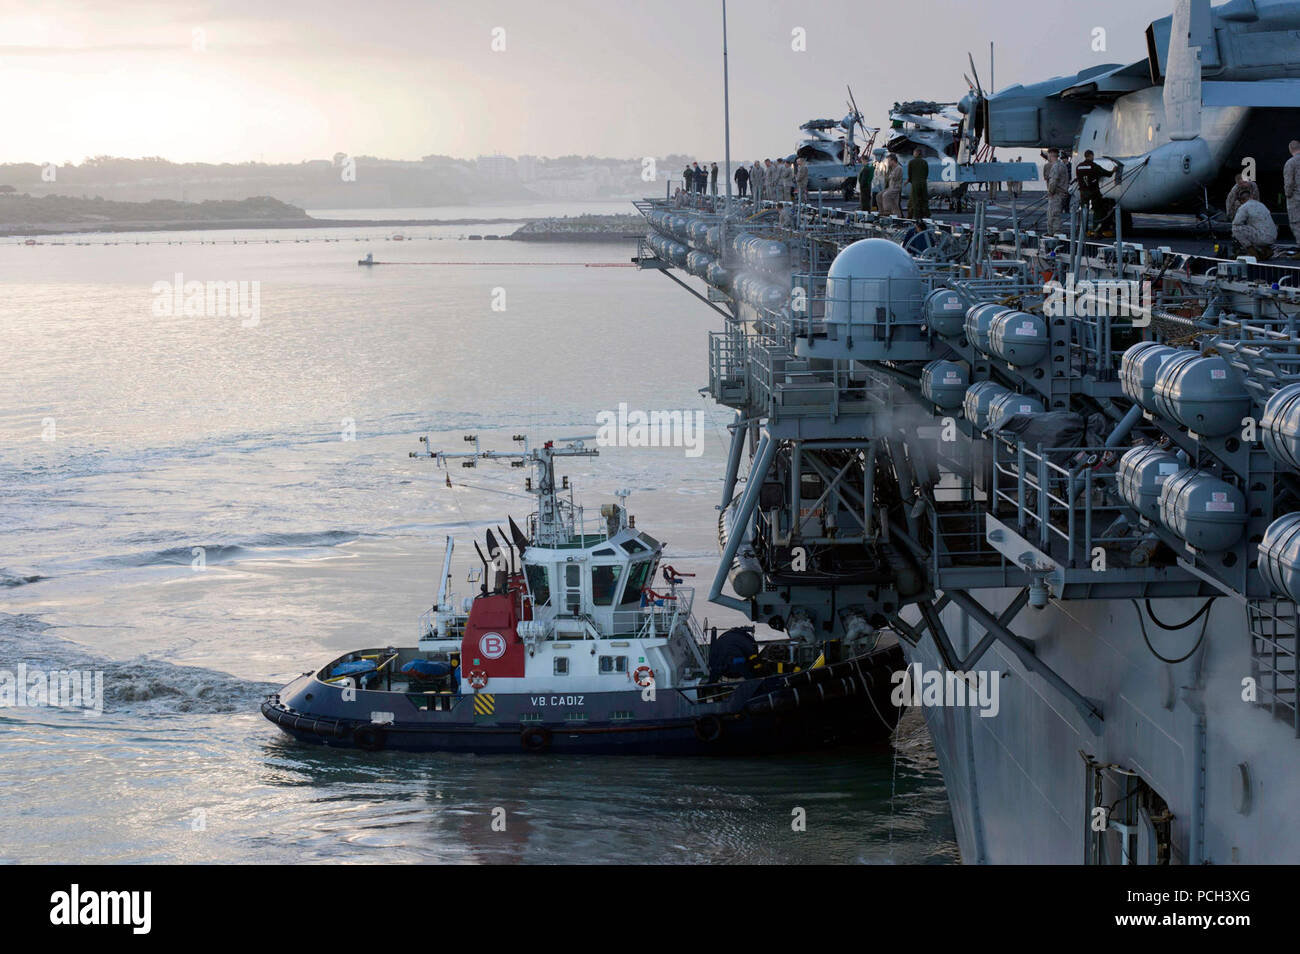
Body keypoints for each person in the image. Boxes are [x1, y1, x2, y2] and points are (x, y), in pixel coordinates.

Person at [1075, 149, 1118, 234]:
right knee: (1098, 209)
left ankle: (1082, 229)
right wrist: (1113, 170)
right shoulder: (1094, 166)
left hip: (1083, 192)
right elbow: (1107, 174)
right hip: (1093, 191)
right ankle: (1096, 228)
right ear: (1091, 156)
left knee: (1084, 210)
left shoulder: (1079, 166)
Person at [1044, 148, 1069, 235]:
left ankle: (1054, 234)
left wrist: (1050, 192)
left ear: (1051, 155)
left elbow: (1053, 182)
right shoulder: (1062, 165)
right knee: (1053, 215)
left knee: (1054, 215)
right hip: (1061, 194)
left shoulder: (1056, 166)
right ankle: (1052, 233)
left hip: (1056, 195)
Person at [907, 147, 930, 221]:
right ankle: (926, 214)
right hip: (923, 183)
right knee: (924, 199)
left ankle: (916, 215)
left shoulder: (911, 162)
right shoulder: (925, 162)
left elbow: (909, 173)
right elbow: (926, 173)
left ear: (916, 153)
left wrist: (911, 180)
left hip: (915, 183)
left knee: (915, 200)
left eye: (914, 153)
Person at [1285, 141, 1300, 243]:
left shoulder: (1291, 163)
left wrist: (1288, 194)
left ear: (1290, 149)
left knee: (1296, 223)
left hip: (1296, 198)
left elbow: (1289, 183)